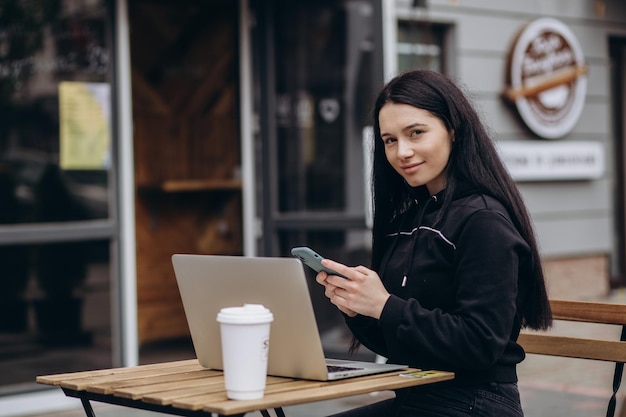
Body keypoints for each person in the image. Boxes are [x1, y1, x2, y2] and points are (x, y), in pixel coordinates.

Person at [316, 70, 553, 417]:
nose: (402, 152)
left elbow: (480, 343)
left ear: (453, 130)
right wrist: (358, 309)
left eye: (416, 133)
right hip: (416, 397)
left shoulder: (483, 221)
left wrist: (384, 306)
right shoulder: (407, 223)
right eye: (390, 140)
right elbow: (399, 342)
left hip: (475, 402)